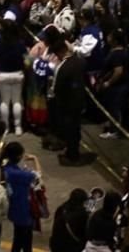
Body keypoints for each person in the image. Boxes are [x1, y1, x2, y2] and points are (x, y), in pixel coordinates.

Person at [50, 37, 88, 166]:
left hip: (66, 104)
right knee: (76, 129)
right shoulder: (80, 62)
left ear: (59, 52)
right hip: (79, 101)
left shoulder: (62, 68)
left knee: (70, 130)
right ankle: (74, 152)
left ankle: (72, 155)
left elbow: (56, 88)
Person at [2, 141, 41, 252]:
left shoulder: (8, 169)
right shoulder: (19, 174)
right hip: (23, 211)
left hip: (14, 209)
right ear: (19, 156)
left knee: (18, 240)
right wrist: (35, 159)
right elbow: (38, 176)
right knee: (26, 242)